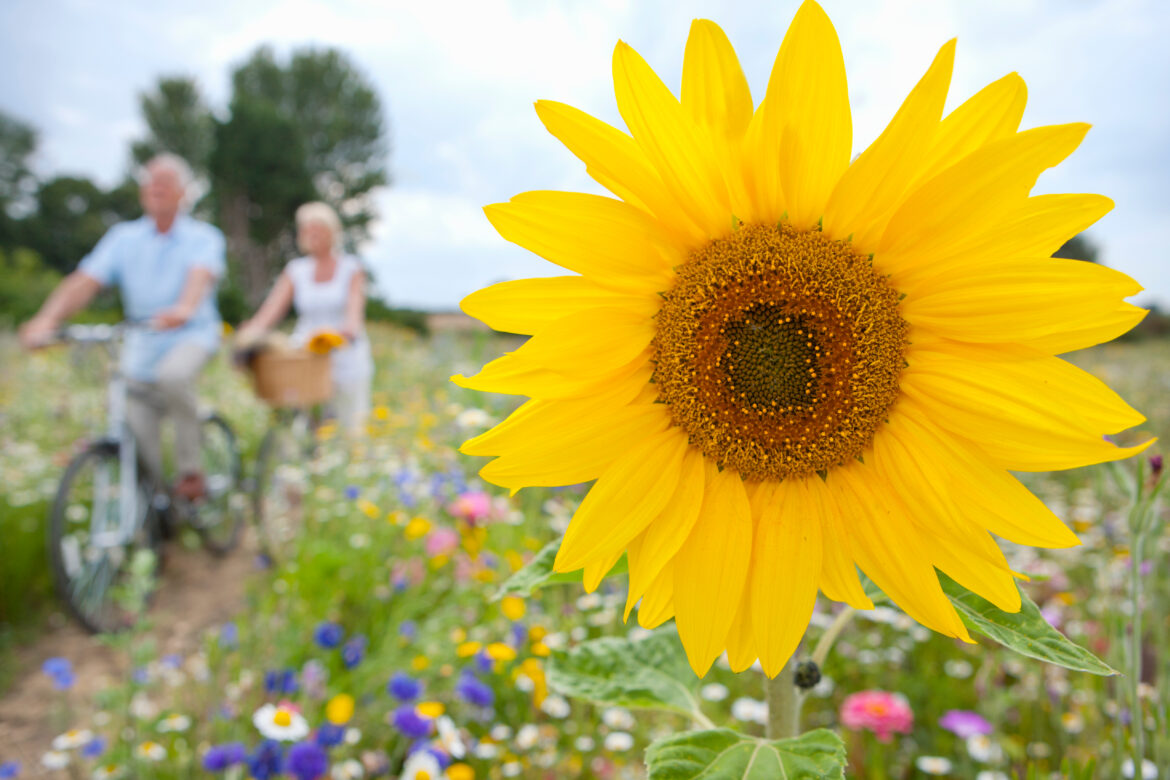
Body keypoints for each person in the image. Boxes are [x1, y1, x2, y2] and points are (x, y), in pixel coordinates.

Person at [19, 153, 226, 501]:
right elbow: (84, 281)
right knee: (138, 437)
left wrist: (184, 308)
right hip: (141, 347)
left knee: (174, 376)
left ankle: (192, 471)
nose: (156, 188)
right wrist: (47, 319)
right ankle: (160, 512)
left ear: (183, 193)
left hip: (190, 335)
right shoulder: (123, 238)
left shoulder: (204, 237)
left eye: (165, 183)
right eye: (150, 182)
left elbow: (200, 276)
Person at [237, 201, 373, 432]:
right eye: (307, 229)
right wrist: (251, 332)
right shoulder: (296, 270)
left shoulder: (351, 268)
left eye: (319, 228)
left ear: (333, 232)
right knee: (306, 428)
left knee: (351, 426)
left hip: (345, 355)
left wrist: (346, 331)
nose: (313, 234)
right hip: (306, 356)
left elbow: (354, 312)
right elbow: (271, 311)